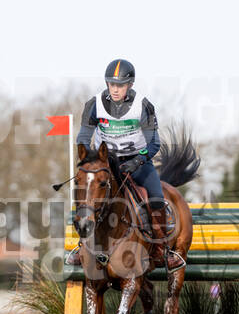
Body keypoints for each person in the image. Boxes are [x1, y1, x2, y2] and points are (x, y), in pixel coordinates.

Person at [66, 58, 185, 271]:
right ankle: (82, 246)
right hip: (106, 162)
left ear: (130, 85)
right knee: (89, 194)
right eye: (111, 84)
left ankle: (164, 249)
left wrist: (138, 160)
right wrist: (86, 156)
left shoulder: (143, 105)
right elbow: (84, 136)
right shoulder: (94, 105)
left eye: (120, 85)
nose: (115, 89)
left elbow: (154, 142)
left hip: (138, 161)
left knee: (156, 195)